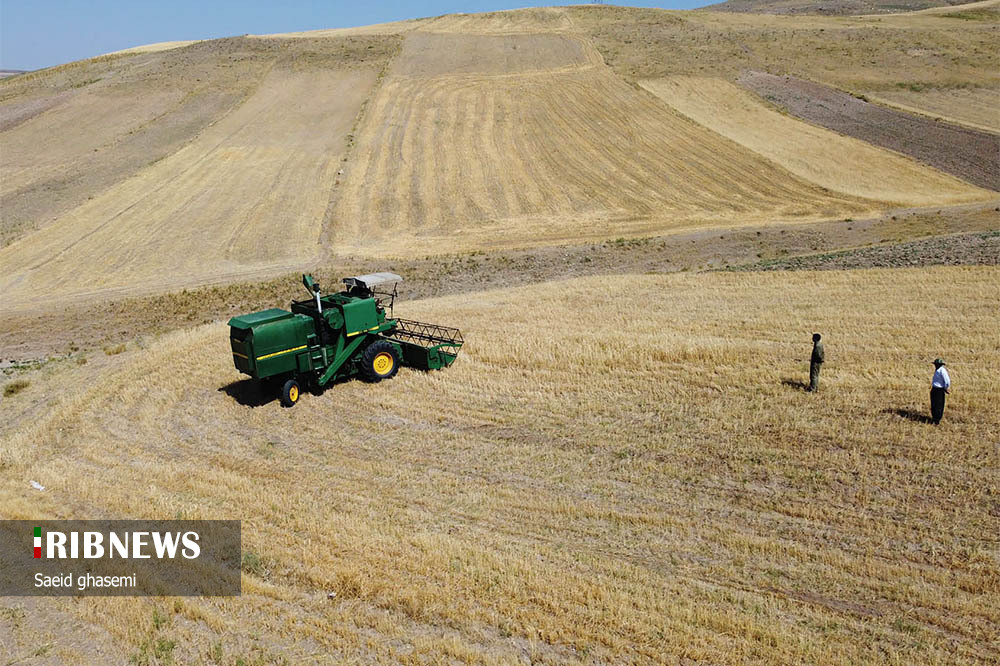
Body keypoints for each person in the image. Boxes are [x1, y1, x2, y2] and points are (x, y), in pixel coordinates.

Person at [930, 359, 951, 425]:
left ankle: (937, 420)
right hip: (934, 389)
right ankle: (934, 418)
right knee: (934, 404)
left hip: (940, 389)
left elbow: (947, 381)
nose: (935, 365)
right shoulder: (937, 370)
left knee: (939, 404)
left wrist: (945, 388)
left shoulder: (942, 371)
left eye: (936, 364)